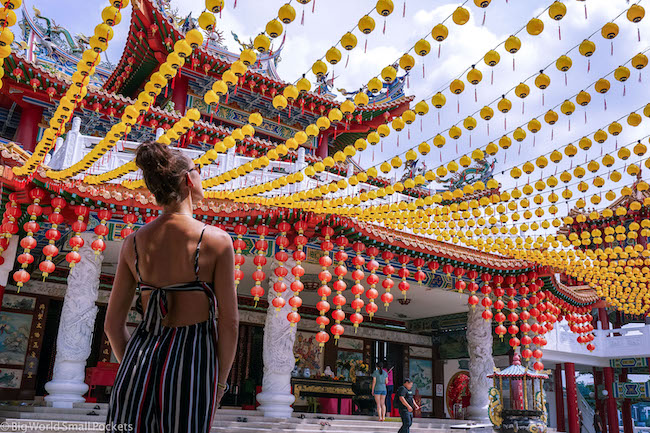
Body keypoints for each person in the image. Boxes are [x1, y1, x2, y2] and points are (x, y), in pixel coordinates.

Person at [104, 141, 238, 433]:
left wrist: (136, 367)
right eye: (199, 171)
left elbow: (113, 325)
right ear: (189, 179)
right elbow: (229, 324)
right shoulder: (215, 240)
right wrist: (220, 383)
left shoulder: (133, 242)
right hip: (193, 362)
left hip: (139, 357)